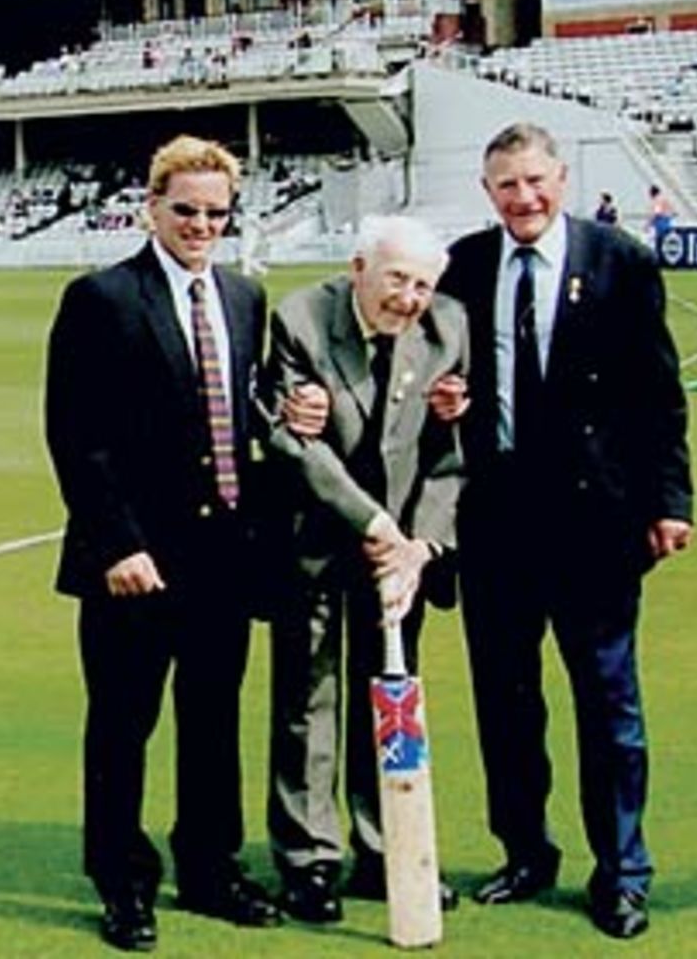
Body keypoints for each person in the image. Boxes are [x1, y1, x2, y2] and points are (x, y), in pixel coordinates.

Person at [44, 134, 324, 952]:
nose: (201, 225)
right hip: (134, 562)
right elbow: (75, 434)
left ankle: (208, 868)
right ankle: (123, 883)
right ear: (152, 207)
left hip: (223, 557)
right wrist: (117, 544)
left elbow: (249, 408)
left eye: (215, 213)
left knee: (212, 721)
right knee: (123, 726)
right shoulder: (101, 298)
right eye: (186, 210)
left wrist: (293, 409)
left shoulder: (243, 297)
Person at [439, 122, 694, 941]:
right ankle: (524, 852)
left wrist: (670, 500)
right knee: (507, 705)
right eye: (508, 185)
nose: (525, 198)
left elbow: (659, 395)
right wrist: (450, 398)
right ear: (489, 192)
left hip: (594, 525)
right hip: (496, 523)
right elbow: (438, 374)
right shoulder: (466, 265)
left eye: (537, 181)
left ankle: (622, 873)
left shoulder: (619, 261)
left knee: (609, 706)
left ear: (563, 180)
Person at [261, 215, 468, 924]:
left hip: (401, 557)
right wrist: (375, 525)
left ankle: (385, 851)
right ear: (358, 267)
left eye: (422, 285)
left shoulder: (448, 328)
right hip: (317, 537)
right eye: (397, 280)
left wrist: (420, 547)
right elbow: (294, 446)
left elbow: (448, 455)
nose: (409, 298)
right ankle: (309, 860)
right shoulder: (301, 319)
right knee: (308, 701)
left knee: (389, 699)